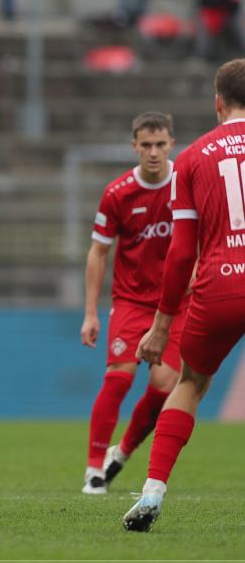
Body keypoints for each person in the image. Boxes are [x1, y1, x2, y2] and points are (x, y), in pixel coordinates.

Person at [124, 59, 245, 532]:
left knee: (190, 384)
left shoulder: (193, 158)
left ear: (218, 103)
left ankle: (153, 491)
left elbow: (180, 253)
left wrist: (161, 325)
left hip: (219, 286)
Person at [80, 112, 188, 495]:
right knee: (119, 377)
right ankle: (94, 470)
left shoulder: (186, 183)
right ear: (135, 147)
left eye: (161, 144)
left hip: (177, 304)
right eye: (146, 145)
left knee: (164, 385)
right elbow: (98, 253)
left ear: (171, 144)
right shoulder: (118, 192)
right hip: (131, 301)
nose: (154, 152)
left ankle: (121, 453)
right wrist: (91, 313)